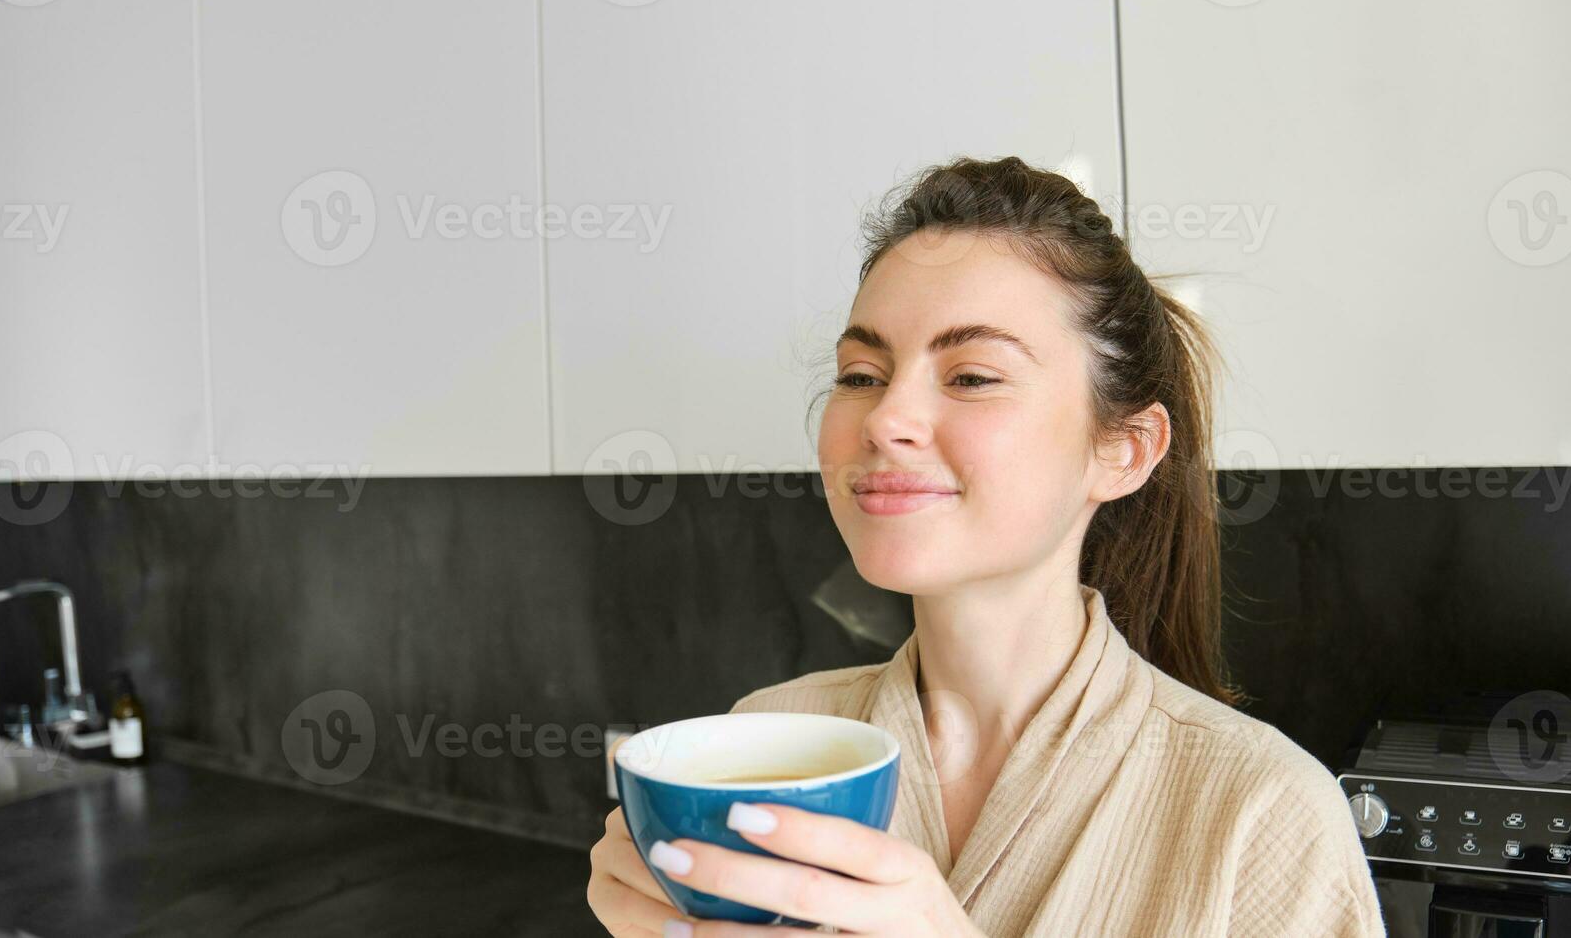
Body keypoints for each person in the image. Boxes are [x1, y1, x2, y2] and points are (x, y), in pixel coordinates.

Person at [587, 157, 1381, 936]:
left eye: (970, 376)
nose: (885, 418)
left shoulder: (1263, 813)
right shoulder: (773, 732)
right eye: (862, 374)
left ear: (1124, 449)